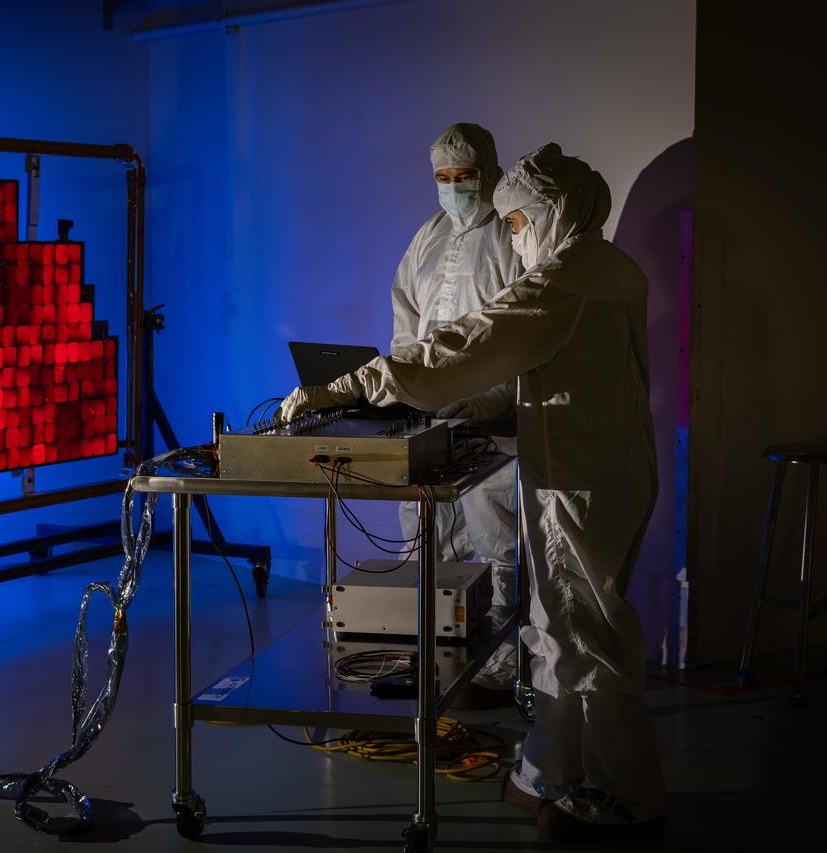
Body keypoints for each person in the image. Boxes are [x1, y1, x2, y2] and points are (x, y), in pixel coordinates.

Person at [280, 143, 664, 844]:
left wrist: (355, 382)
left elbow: (465, 343)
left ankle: (627, 794)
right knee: (561, 625)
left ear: (550, 211)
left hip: (577, 478)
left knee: (585, 630)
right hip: (601, 467)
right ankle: (547, 769)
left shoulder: (564, 279)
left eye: (518, 223)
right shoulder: (609, 268)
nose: (512, 235)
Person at [388, 123, 522, 706]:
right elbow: (405, 317)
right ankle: (434, 652)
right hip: (430, 417)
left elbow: (523, 332)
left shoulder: (511, 237)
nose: (452, 187)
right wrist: (401, 382)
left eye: (463, 177)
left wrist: (489, 399)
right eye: (442, 178)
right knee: (424, 536)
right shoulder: (429, 235)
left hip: (492, 422)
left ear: (487, 172)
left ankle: (504, 664)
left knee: (497, 539)